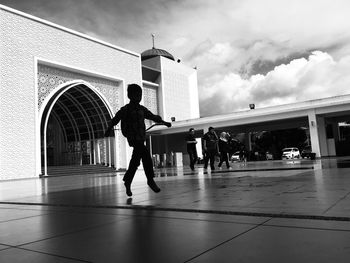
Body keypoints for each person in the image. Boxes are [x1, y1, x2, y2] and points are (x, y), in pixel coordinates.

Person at [104, 84, 171, 197]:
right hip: (133, 138)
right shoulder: (125, 110)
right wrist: (108, 130)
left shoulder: (141, 109)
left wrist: (164, 122)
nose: (138, 96)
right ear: (129, 95)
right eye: (136, 94)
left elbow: (153, 117)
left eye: (140, 94)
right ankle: (150, 180)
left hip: (141, 138)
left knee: (135, 161)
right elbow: (114, 120)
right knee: (146, 156)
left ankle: (127, 181)